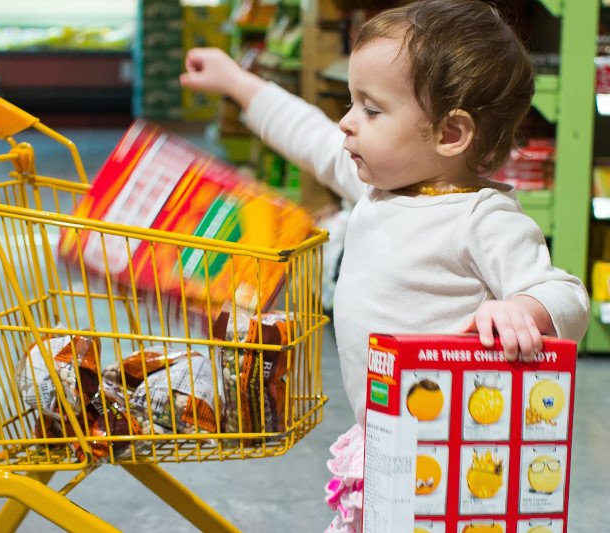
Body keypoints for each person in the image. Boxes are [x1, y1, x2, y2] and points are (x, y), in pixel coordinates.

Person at [180, 0, 590, 531]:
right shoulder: (377, 187)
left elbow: (566, 294)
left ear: (449, 134)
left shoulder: (480, 218)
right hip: (386, 441)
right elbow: (308, 133)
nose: (347, 124)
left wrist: (526, 307)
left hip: (455, 461)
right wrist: (237, 81)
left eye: (371, 110)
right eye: (353, 103)